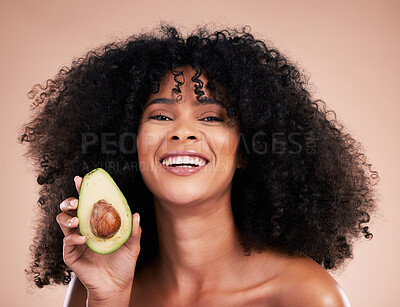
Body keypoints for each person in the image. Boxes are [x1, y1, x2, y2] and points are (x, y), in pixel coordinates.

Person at [20, 24, 378, 306]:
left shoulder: (306, 296)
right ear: (131, 143)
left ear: (246, 151)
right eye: (160, 115)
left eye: (211, 118)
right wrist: (109, 297)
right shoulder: (96, 286)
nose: (183, 132)